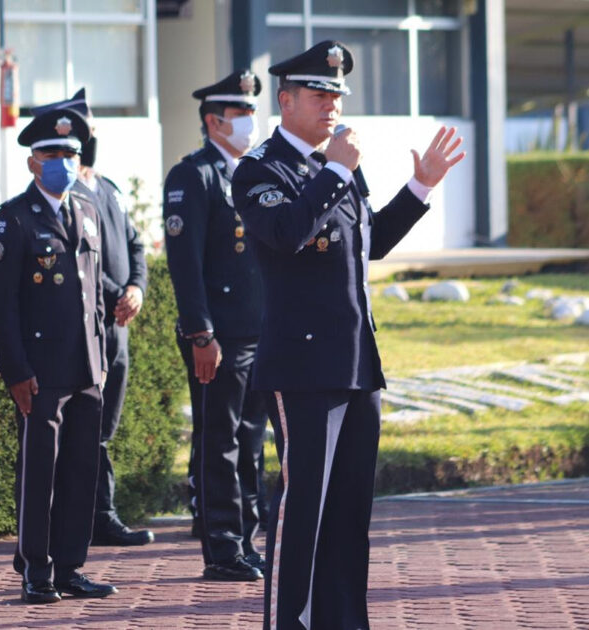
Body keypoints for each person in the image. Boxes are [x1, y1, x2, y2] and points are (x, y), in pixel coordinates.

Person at [231, 41, 466, 629]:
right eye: (319, 93)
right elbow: (284, 231)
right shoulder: (261, 168)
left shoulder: (334, 167)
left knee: (348, 510)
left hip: (357, 362)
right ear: (285, 101)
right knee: (302, 508)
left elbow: (371, 243)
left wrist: (419, 187)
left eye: (337, 94)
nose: (332, 104)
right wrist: (337, 168)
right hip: (303, 368)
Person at [0, 106, 117, 604]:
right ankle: (36, 570)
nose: (61, 160)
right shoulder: (12, 220)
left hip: (86, 368)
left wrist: (100, 362)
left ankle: (69, 566)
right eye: (52, 153)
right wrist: (16, 371)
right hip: (41, 373)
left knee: (81, 470)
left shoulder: (86, 210)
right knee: (41, 471)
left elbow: (93, 296)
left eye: (69, 153)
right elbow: (3, 306)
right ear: (32, 162)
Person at [31, 89, 154, 547]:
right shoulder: (67, 195)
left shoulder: (108, 189)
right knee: (81, 432)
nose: (92, 136)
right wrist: (116, 294)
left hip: (116, 325)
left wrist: (136, 288)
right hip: (87, 326)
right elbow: (78, 264)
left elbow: (136, 244)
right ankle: (90, 519)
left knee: (102, 430)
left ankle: (97, 515)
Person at [162, 70, 269, 582]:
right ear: (213, 121)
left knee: (250, 439)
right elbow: (185, 265)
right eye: (240, 114)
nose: (250, 121)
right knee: (219, 439)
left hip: (257, 331)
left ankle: (246, 537)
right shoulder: (194, 175)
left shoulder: (251, 170)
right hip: (218, 337)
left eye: (252, 112)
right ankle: (222, 546)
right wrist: (201, 334)